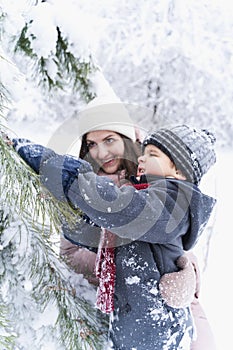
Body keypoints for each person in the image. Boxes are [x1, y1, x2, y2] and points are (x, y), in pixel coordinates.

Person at [10, 122, 217, 349]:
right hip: (129, 318)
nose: (141, 158)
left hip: (153, 325)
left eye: (152, 154)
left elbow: (121, 208)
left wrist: (64, 174)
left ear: (179, 170)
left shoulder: (170, 202)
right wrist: (66, 207)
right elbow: (95, 234)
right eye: (91, 144)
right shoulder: (146, 199)